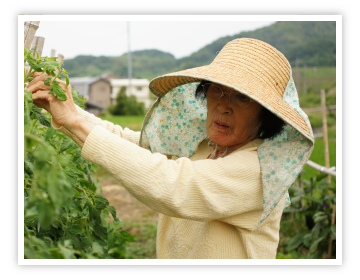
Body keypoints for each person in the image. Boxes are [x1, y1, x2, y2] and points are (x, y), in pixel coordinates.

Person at [26, 38, 314, 259]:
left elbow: (175, 185)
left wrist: (75, 121)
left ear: (266, 115)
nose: (223, 107)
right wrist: (67, 111)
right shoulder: (202, 147)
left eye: (241, 98)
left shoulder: (258, 170)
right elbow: (134, 144)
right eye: (217, 91)